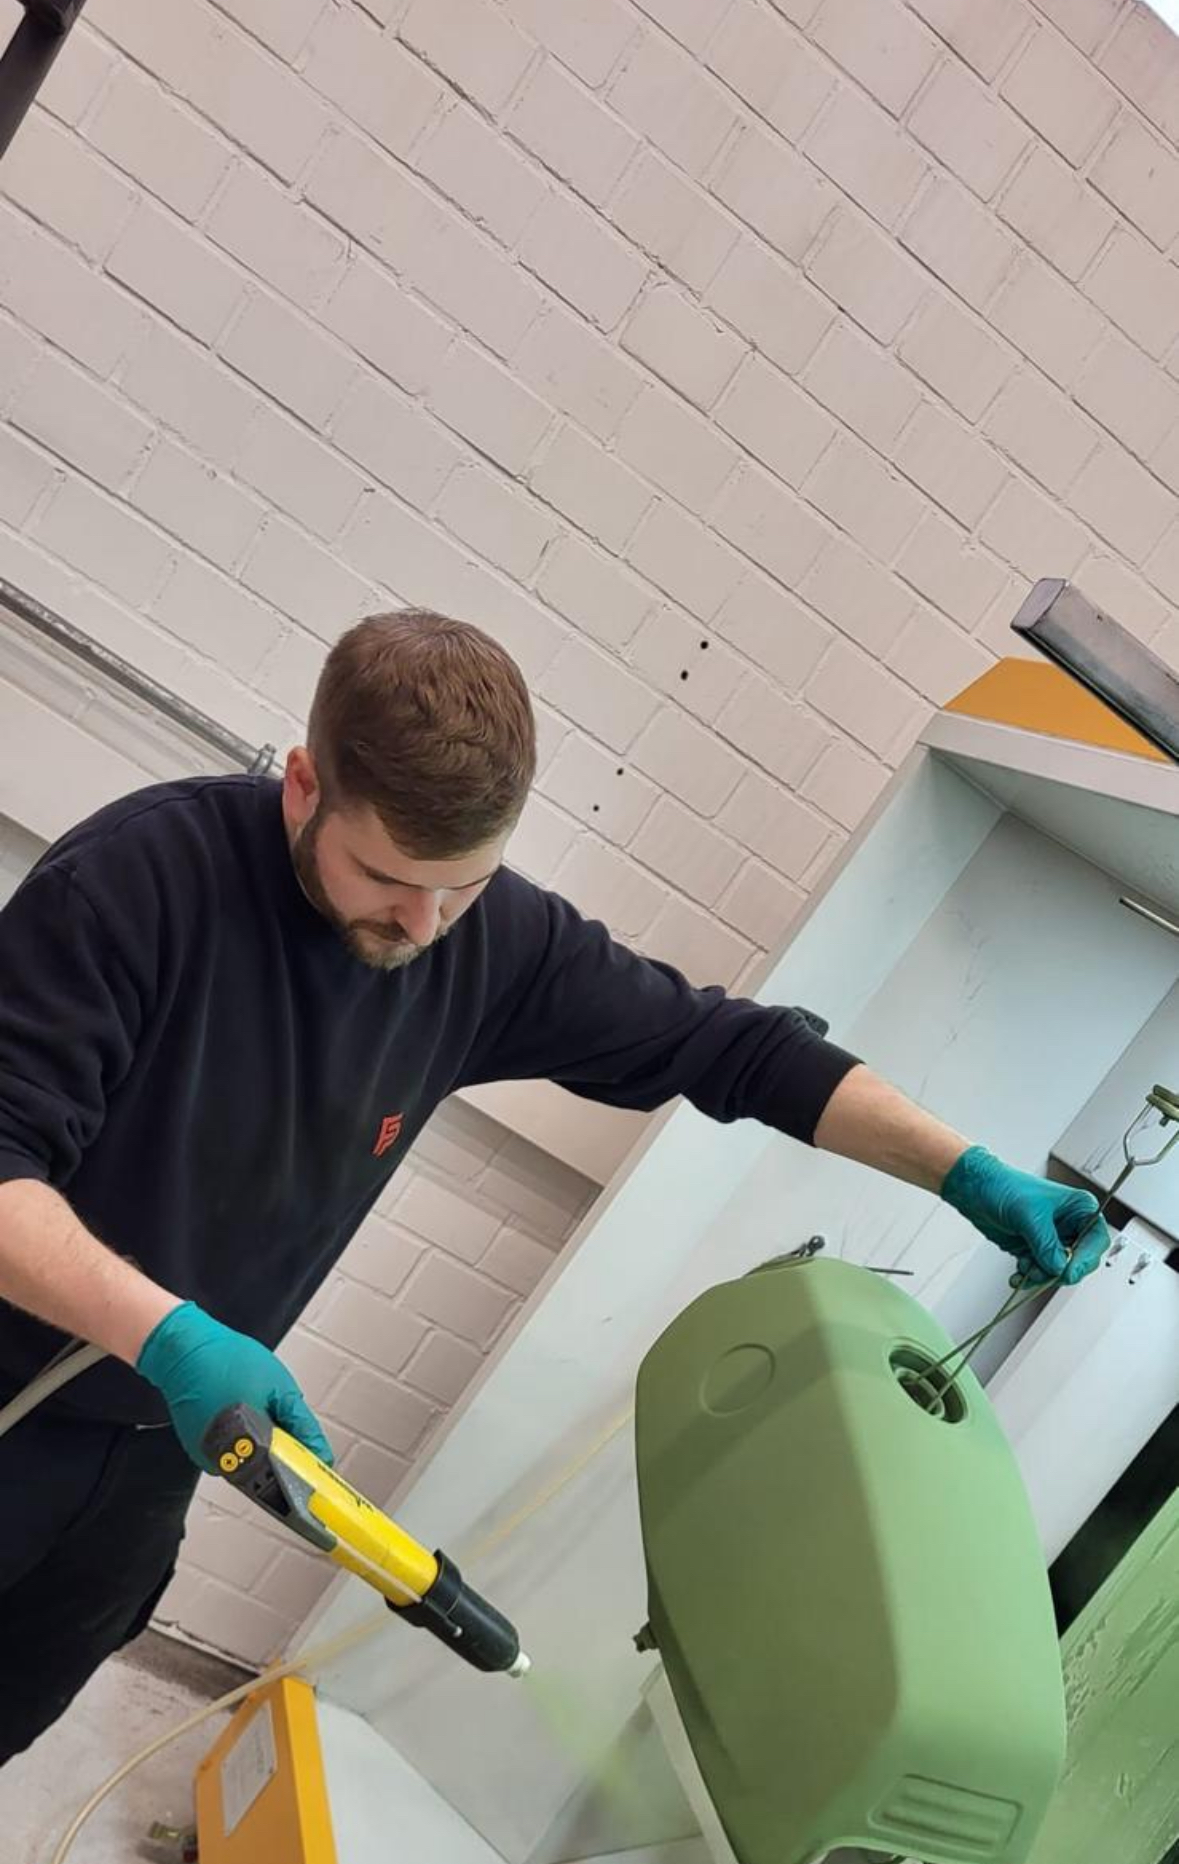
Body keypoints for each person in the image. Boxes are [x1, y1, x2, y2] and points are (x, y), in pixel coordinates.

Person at [0, 609, 1107, 1763]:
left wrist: (964, 1171)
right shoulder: (140, 884)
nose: (423, 925)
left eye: (463, 888)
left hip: (156, 1457)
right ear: (303, 786)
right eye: (387, 877)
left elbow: (732, 1049)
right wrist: (170, 1336)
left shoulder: (481, 943)